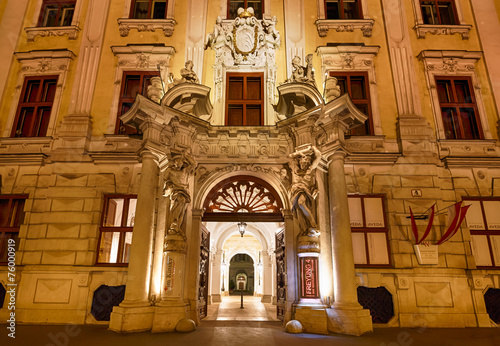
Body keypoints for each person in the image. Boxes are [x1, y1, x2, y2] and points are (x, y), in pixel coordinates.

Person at [289, 146, 322, 236]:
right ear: (299, 162)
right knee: (298, 211)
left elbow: (318, 156)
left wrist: (313, 147)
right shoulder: (295, 169)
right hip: (294, 191)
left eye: (306, 163)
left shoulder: (309, 170)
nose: (304, 164)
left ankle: (313, 224)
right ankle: (305, 228)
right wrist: (300, 153)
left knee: (301, 203)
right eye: (302, 162)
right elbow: (290, 156)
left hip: (304, 190)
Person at [163, 153, 197, 238]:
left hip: (185, 191)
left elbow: (193, 164)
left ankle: (177, 226)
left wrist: (185, 155)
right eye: (176, 162)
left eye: (180, 162)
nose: (178, 164)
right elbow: (165, 180)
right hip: (176, 191)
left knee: (183, 210)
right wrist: (168, 185)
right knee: (178, 203)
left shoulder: (185, 170)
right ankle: (173, 223)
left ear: (183, 163)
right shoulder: (170, 171)